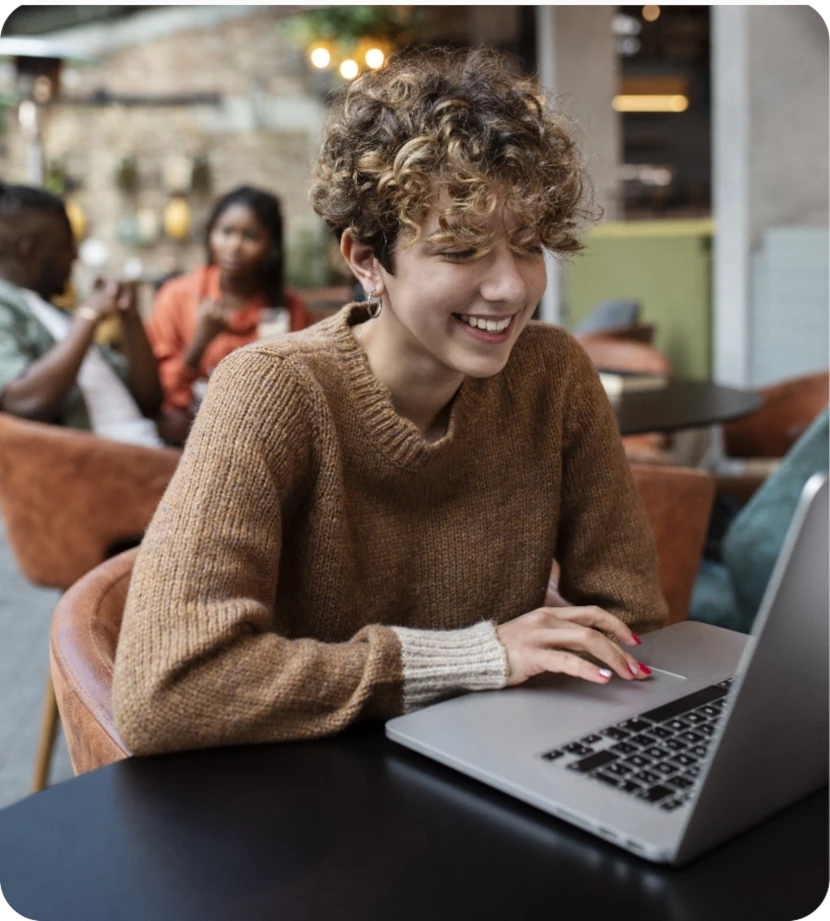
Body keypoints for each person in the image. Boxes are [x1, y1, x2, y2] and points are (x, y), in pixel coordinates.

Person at [113, 47, 668, 756]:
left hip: (498, 761)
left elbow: (632, 621)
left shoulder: (552, 374)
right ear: (366, 259)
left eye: (528, 244)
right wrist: (476, 658)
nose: (511, 288)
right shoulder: (271, 390)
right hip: (309, 786)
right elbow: (164, 688)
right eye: (460, 249)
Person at [0, 184, 163, 447]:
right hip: (97, 461)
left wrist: (130, 319)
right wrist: (89, 316)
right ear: (30, 251)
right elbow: (25, 401)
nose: (75, 256)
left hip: (146, 451)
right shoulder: (6, 306)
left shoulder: (56, 315)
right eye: (66, 246)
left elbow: (148, 399)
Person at [145, 186, 308, 426]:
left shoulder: (289, 308)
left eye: (250, 236)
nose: (234, 245)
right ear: (210, 234)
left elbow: (302, 391)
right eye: (226, 232)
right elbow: (159, 394)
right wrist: (201, 340)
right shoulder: (176, 296)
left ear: (271, 245)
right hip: (189, 431)